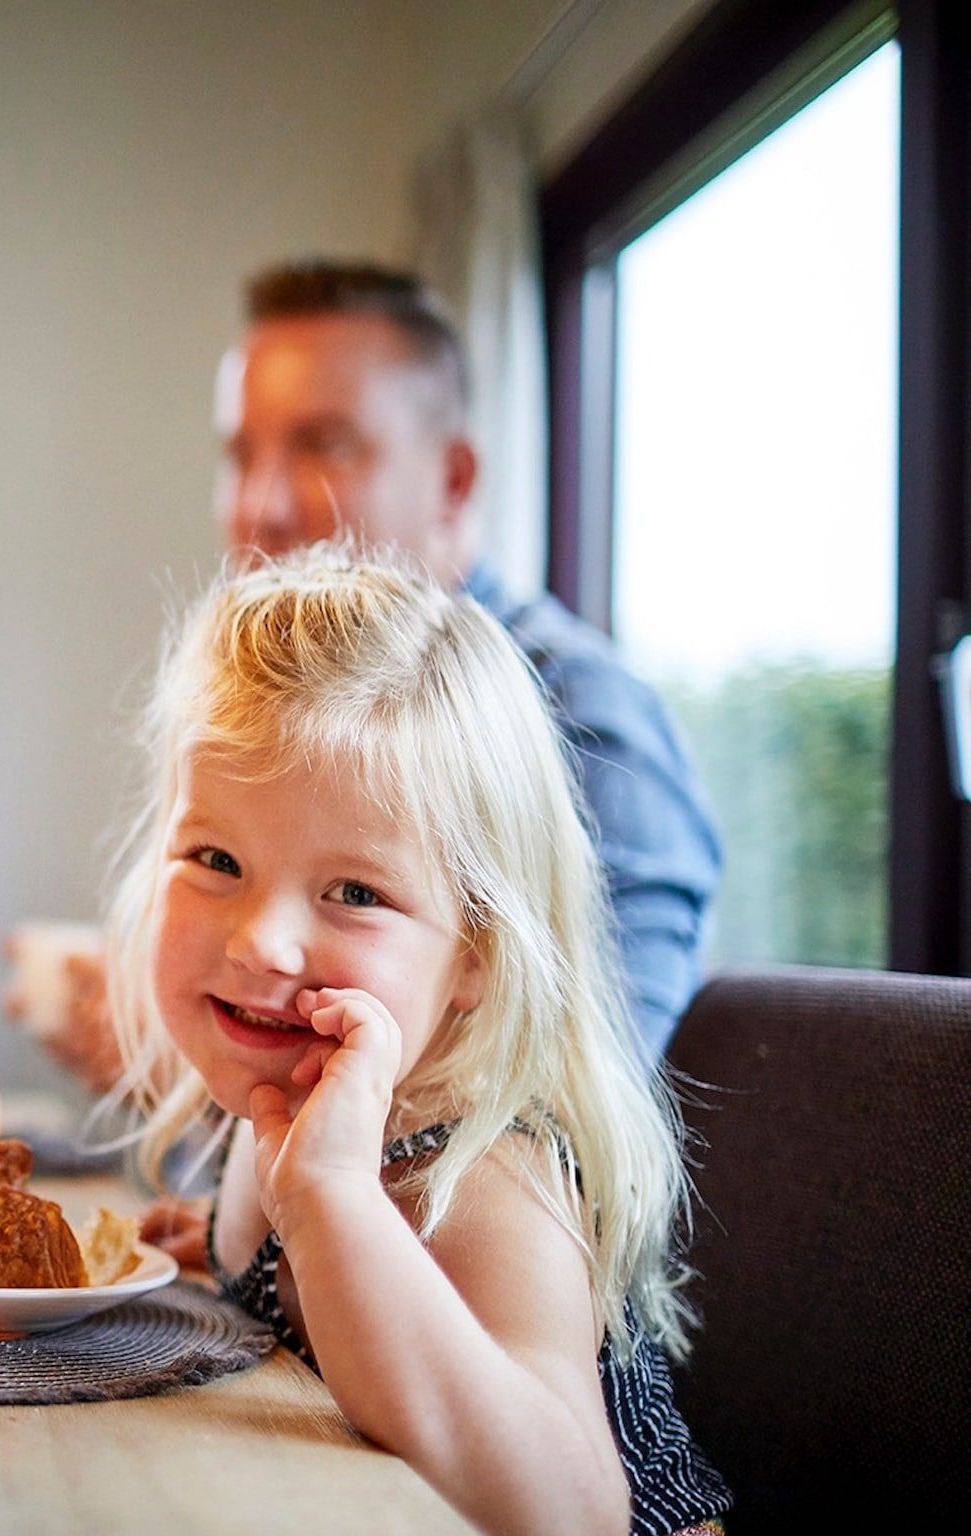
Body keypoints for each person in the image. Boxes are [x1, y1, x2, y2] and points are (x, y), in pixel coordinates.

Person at [106, 545, 729, 1535]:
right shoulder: (299, 1092)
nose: (261, 942)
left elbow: (572, 1509)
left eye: (354, 893)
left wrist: (329, 1206)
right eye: (214, 858)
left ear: (475, 948)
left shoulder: (480, 1176)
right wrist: (234, 1253)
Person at [9, 261, 718, 1095]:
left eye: (324, 446)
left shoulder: (580, 716)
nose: (260, 506)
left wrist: (182, 1068)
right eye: (242, 454)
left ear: (454, 481)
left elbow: (583, 1120)